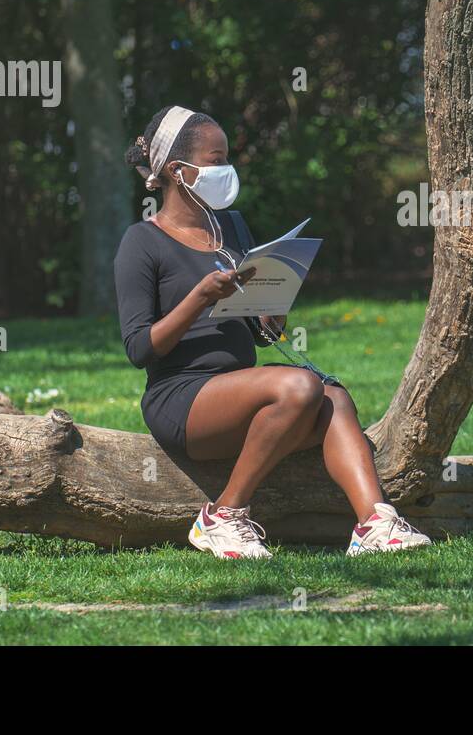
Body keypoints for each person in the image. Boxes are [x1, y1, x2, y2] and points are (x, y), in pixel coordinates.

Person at [114, 105, 431, 560]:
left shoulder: (232, 227)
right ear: (178, 171)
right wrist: (200, 297)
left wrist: (269, 313)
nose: (226, 170)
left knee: (334, 395)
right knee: (301, 385)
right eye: (215, 159)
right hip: (181, 398)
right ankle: (222, 517)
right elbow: (140, 347)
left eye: (226, 158)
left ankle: (375, 524)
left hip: (241, 390)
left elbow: (253, 333)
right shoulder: (141, 242)